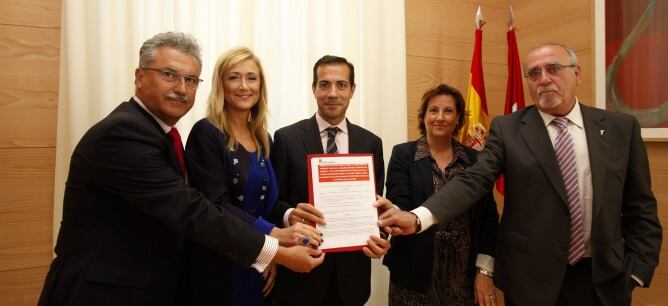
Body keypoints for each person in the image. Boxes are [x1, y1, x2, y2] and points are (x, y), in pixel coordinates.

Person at [38, 32, 324, 306]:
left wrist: (285, 221)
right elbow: (193, 210)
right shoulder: (125, 133)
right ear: (139, 77)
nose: (181, 88)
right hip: (101, 292)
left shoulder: (161, 134)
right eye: (168, 75)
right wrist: (274, 248)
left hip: (149, 285)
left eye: (190, 79)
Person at [378, 43, 662, 306]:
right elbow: (473, 181)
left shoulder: (620, 128)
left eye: (553, 69)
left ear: (576, 74)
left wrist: (637, 271)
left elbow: (640, 206)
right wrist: (418, 217)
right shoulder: (508, 129)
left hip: (602, 280)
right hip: (531, 282)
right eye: (534, 73)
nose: (544, 79)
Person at [177, 46, 322, 306]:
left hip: (259, 261)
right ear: (221, 84)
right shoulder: (206, 133)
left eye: (251, 78)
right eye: (234, 77)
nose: (244, 86)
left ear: (260, 85)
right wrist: (274, 237)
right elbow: (215, 204)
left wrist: (285, 227)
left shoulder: (263, 137)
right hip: (221, 264)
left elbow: (269, 204)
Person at [271, 55, 391, 306]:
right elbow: (273, 204)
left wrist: (380, 235)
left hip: (352, 280)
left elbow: (375, 205)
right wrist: (291, 215)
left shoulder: (371, 143)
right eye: (324, 84)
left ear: (352, 90)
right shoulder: (286, 138)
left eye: (341, 85)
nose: (333, 93)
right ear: (313, 88)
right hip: (301, 276)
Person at [382, 84, 499, 306]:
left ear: (458, 119)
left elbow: (488, 219)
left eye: (448, 111)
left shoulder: (475, 160)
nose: (440, 117)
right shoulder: (403, 154)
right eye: (433, 110)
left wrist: (485, 271)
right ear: (423, 116)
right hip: (413, 272)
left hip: (464, 275)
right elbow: (398, 204)